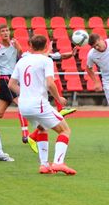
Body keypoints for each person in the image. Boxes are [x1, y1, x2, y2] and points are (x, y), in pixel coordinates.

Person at [8, 34, 76, 175]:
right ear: (46, 46)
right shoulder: (46, 61)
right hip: (38, 104)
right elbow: (50, 83)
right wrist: (58, 98)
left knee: (42, 129)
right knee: (65, 130)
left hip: (24, 106)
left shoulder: (22, 61)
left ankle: (44, 165)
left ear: (30, 46)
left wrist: (26, 93)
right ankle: (58, 162)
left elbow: (11, 84)